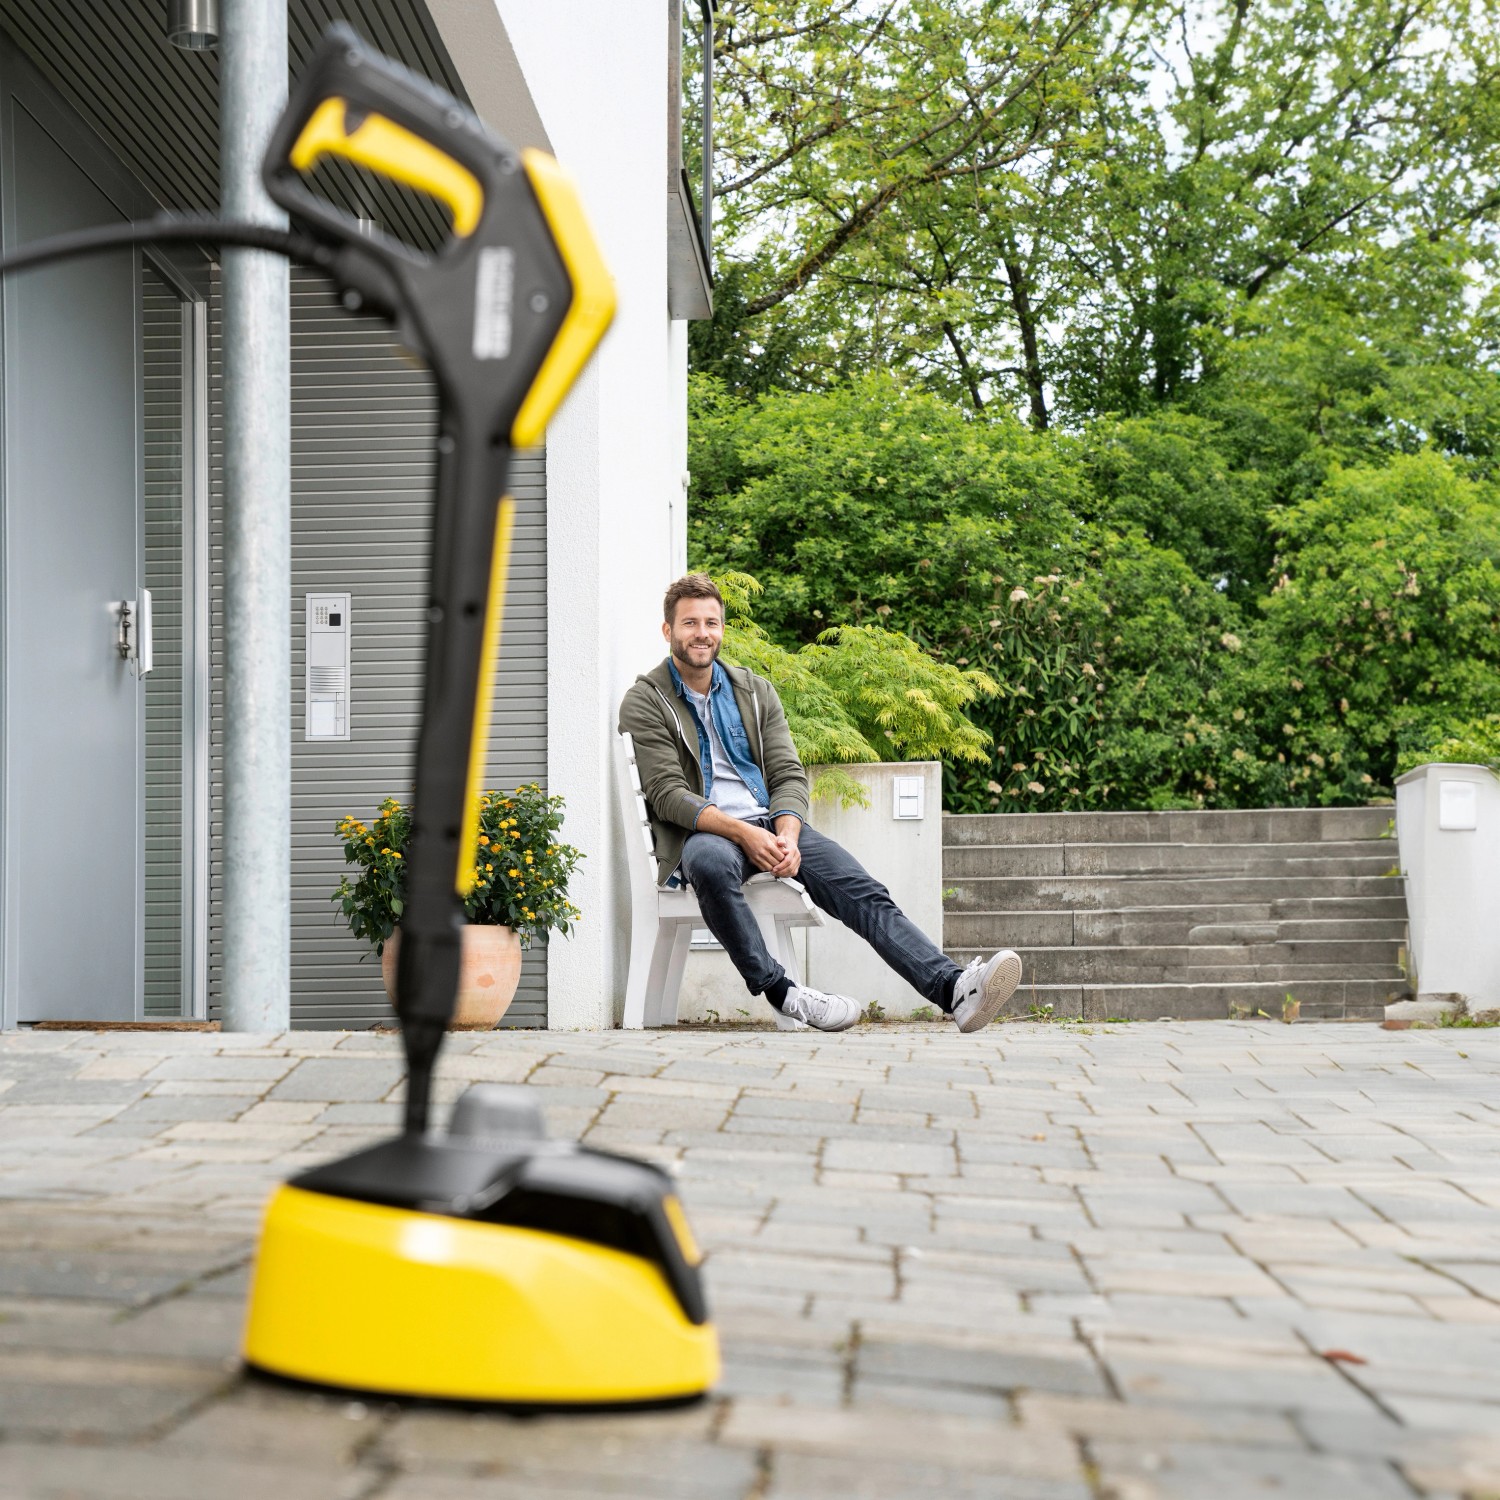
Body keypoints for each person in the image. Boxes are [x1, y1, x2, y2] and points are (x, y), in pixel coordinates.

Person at [618, 573, 1022, 1033]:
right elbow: (669, 796)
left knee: (864, 892)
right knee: (710, 864)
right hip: (705, 835)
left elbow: (788, 774)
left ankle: (951, 989)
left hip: (772, 825)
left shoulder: (755, 691)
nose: (703, 633)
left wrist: (786, 835)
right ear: (668, 631)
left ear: (723, 628)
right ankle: (783, 992)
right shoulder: (645, 700)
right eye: (690, 623)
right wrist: (748, 835)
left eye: (712, 622)